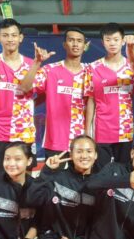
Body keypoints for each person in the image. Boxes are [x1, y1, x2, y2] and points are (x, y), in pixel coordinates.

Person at [26, 135, 103, 239]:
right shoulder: (57, 177)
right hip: (54, 237)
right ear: (71, 154)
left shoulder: (100, 182)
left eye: (89, 151)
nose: (84, 155)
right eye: (79, 151)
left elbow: (100, 221)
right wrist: (47, 171)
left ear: (95, 155)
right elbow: (32, 199)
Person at [18, 28, 91, 160]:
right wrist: (37, 63)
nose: (75, 44)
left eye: (79, 41)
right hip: (56, 142)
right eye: (71, 40)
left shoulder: (91, 72)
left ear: (85, 46)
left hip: (83, 142)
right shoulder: (50, 70)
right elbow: (24, 88)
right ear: (64, 44)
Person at [0, 19, 37, 176]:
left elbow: (39, 95)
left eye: (13, 35)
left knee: (25, 181)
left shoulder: (32, 65)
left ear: (21, 37)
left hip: (24, 133)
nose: (10, 39)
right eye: (5, 35)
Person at [85, 23, 134, 164]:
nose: (112, 43)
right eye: (108, 40)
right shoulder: (93, 68)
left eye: (116, 39)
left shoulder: (132, 67)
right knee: (101, 170)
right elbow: (91, 100)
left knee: (123, 170)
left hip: (125, 128)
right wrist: (87, 131)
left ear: (123, 41)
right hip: (101, 129)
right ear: (102, 42)